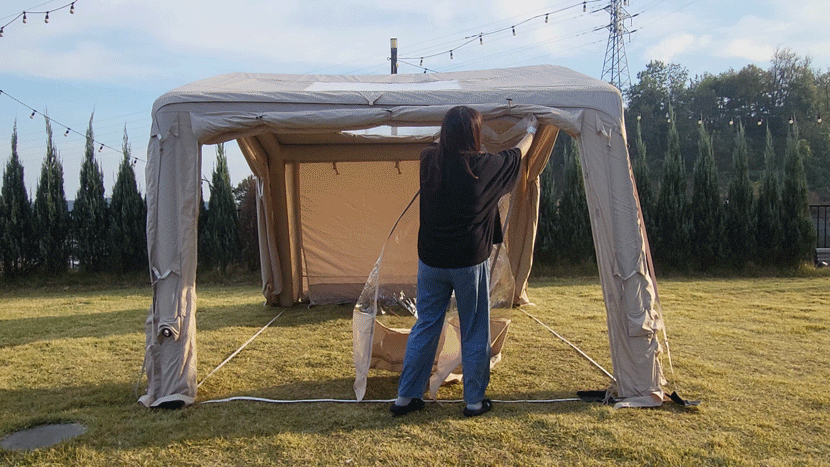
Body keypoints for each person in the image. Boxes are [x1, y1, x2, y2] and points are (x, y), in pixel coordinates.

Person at [391, 106, 536, 417]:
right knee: (474, 328)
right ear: (474, 135)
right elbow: (517, 155)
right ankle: (473, 401)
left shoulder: (429, 161)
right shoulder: (484, 167)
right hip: (469, 261)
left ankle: (406, 397)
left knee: (426, 325)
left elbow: (439, 144)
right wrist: (532, 131)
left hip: (431, 260)